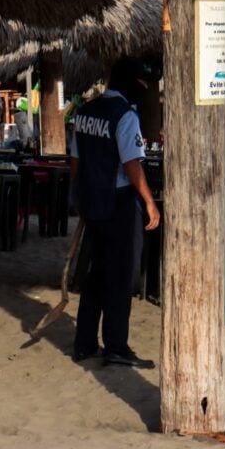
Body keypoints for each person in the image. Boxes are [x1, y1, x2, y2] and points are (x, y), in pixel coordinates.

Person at [70, 57, 161, 369]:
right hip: (120, 202)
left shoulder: (84, 112)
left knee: (95, 273)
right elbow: (131, 164)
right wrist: (149, 201)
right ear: (131, 84)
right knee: (121, 276)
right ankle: (116, 345)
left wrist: (81, 196)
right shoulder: (125, 116)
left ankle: (84, 343)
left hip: (92, 202)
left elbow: (76, 161)